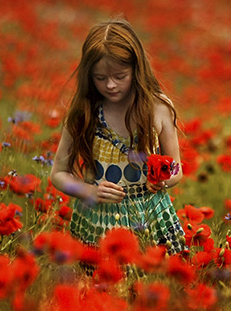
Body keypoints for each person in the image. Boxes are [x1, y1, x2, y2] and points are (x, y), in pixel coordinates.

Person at [50, 18, 186, 256]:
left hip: (150, 218)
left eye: (120, 76)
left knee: (153, 284)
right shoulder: (85, 112)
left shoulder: (159, 108)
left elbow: (176, 169)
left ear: (137, 68)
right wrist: (89, 191)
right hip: (98, 221)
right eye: (100, 78)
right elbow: (58, 174)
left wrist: (162, 181)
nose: (110, 85)